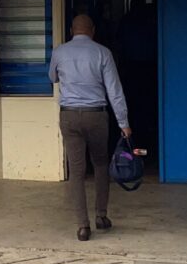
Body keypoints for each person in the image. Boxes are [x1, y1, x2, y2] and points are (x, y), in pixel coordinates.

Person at [49, 15, 132, 242]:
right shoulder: (102, 53)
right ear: (93, 30)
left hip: (69, 116)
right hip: (96, 116)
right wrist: (123, 123)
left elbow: (52, 77)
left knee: (76, 171)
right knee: (101, 164)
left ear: (71, 30)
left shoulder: (59, 52)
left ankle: (82, 226)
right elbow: (114, 90)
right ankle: (101, 216)